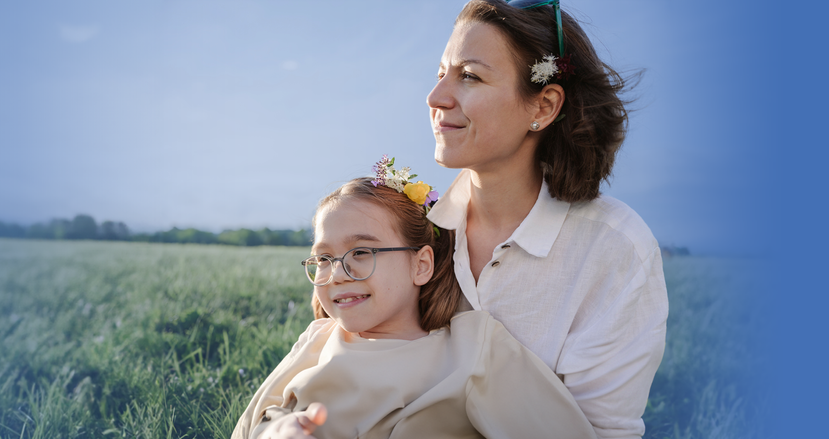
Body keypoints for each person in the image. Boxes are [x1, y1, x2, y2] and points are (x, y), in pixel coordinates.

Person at [425, 1, 667, 437]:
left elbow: (602, 431)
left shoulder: (614, 250)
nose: (437, 97)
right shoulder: (417, 229)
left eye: (470, 76)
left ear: (543, 107)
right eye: (441, 72)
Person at [231, 163, 596, 439]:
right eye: (323, 259)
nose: (337, 273)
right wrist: (280, 429)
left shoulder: (471, 349)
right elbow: (252, 422)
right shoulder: (320, 339)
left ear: (420, 265)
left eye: (361, 251)